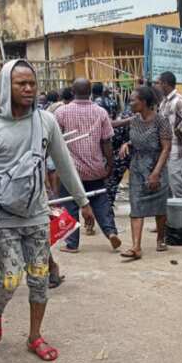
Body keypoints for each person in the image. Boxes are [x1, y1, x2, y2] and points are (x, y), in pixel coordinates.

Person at [0, 59, 93, 362]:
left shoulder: (46, 122)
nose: (29, 88)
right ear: (7, 86)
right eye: (21, 83)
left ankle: (35, 336)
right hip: (2, 218)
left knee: (40, 278)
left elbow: (65, 165)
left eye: (32, 83)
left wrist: (83, 202)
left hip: (37, 215)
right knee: (9, 278)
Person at [0, 81, 65, 302]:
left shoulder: (35, 122)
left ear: (3, 96)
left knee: (36, 248)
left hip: (30, 197)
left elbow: (38, 162)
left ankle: (50, 268)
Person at [54, 78, 121, 253]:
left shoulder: (62, 112)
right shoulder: (100, 112)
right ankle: (110, 231)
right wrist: (109, 164)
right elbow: (106, 141)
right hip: (95, 167)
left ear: (72, 91)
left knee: (70, 204)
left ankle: (72, 243)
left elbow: (56, 140)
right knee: (100, 200)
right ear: (90, 91)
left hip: (71, 169)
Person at [118, 86, 171, 260]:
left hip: (157, 166)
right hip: (137, 167)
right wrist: (128, 144)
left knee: (160, 208)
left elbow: (166, 148)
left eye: (134, 100)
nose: (130, 103)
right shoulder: (134, 120)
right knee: (136, 205)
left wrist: (156, 173)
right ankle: (136, 247)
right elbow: (137, 139)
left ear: (145, 102)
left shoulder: (161, 121)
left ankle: (161, 237)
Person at [154, 72, 182, 199]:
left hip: (177, 154)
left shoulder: (178, 100)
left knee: (179, 191)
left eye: (158, 83)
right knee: (170, 192)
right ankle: (176, 219)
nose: (157, 86)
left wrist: (180, 132)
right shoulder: (164, 102)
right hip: (167, 155)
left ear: (165, 84)